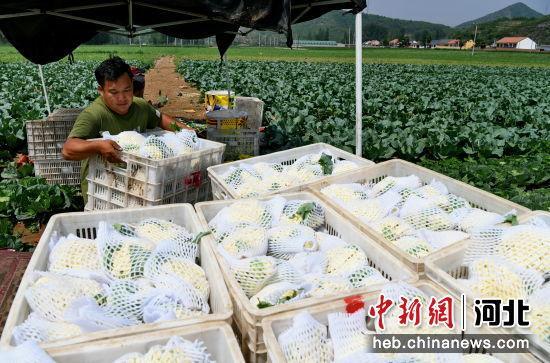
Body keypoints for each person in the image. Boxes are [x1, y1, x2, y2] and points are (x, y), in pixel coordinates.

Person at [62, 56, 190, 204]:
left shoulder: (140, 106)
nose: (122, 98)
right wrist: (98, 146)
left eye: (127, 90)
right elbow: (67, 150)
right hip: (103, 194)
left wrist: (187, 132)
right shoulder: (93, 115)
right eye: (114, 92)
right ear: (101, 91)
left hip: (138, 189)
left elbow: (161, 119)